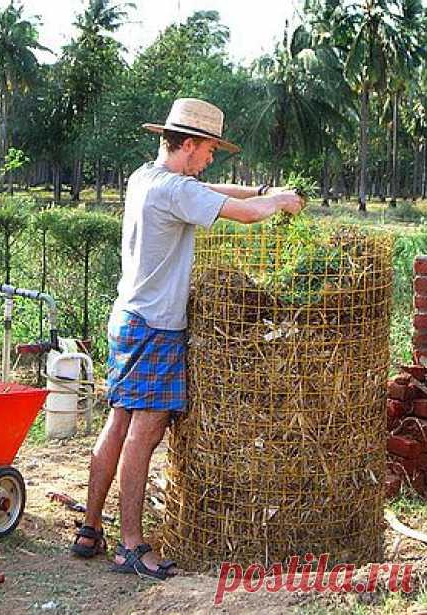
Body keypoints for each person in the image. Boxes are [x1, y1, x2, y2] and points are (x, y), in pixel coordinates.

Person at [71, 98, 304, 579]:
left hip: (128, 317)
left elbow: (211, 190)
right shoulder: (175, 191)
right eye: (210, 149)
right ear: (190, 144)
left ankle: (90, 529)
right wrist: (277, 202)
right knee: (144, 431)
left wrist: (262, 187)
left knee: (117, 423)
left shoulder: (146, 177)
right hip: (155, 326)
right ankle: (131, 546)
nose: (212, 159)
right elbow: (243, 214)